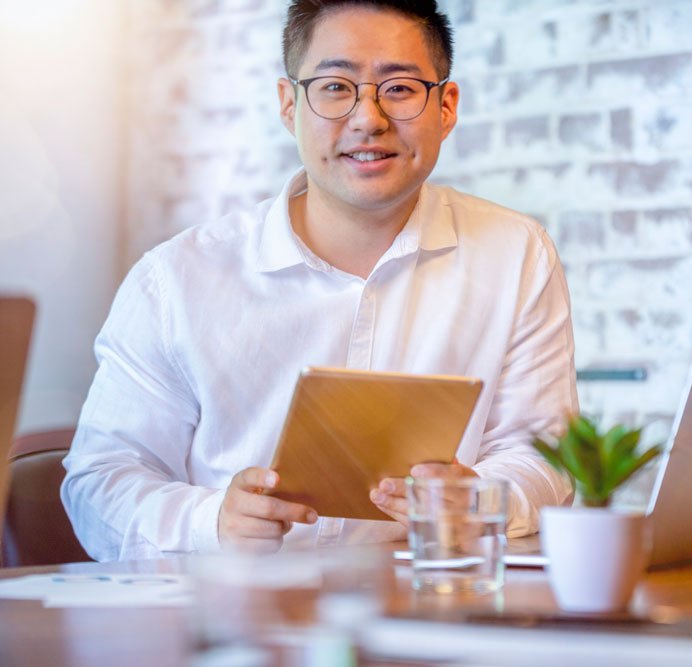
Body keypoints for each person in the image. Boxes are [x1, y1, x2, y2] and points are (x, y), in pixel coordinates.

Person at [61, 0, 577, 561]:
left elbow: (542, 455)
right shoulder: (177, 279)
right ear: (289, 104)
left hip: (429, 607)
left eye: (400, 88)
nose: (368, 118)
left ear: (446, 107)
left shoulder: (516, 253)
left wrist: (475, 497)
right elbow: (100, 481)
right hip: (234, 615)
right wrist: (214, 522)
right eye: (335, 87)